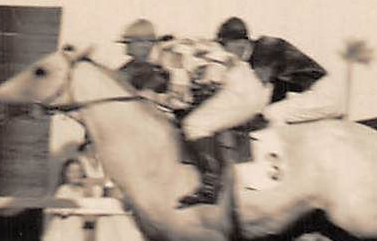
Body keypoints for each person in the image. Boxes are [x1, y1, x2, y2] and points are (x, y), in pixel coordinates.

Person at [176, 17, 338, 207]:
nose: (227, 51)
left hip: (324, 93)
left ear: (241, 42)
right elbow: (276, 91)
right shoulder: (259, 53)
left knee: (272, 115)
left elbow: (261, 91)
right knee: (271, 113)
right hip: (316, 92)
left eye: (227, 45)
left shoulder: (265, 48)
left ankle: (276, 178)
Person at [117, 18, 171, 96]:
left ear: (145, 45)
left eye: (129, 42)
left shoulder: (156, 74)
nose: (127, 46)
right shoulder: (129, 66)